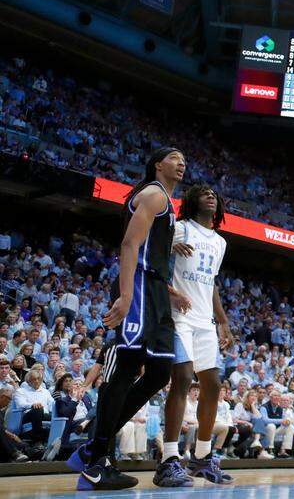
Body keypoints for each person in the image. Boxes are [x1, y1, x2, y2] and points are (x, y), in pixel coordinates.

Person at [68, 145, 186, 491]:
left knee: (160, 373)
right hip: (138, 290)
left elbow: (152, 251)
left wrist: (169, 291)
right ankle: (94, 462)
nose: (181, 163)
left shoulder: (166, 203)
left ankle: (93, 448)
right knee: (128, 367)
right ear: (157, 164)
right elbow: (129, 245)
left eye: (185, 160)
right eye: (174, 157)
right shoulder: (152, 194)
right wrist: (125, 295)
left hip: (156, 293)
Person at [156, 184, 235, 486]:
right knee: (184, 377)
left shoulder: (220, 242)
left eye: (214, 193)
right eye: (203, 193)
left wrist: (223, 321)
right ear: (191, 201)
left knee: (213, 385)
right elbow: (153, 260)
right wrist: (170, 292)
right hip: (179, 317)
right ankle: (168, 459)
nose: (211, 195)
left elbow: (211, 284)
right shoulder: (180, 228)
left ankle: (202, 458)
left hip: (205, 321)